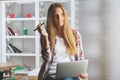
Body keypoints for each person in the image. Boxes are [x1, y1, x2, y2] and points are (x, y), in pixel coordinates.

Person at [37, 3, 88, 80]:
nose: (60, 18)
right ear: (51, 18)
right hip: (52, 74)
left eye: (62, 14)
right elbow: (47, 59)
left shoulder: (75, 35)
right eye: (56, 16)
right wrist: (46, 38)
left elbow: (80, 58)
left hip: (71, 73)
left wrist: (83, 73)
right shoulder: (46, 35)